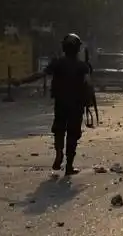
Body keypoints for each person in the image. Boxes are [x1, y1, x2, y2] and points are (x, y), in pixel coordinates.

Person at [17, 33, 92, 174]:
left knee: (59, 129)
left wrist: (21, 81)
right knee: (73, 134)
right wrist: (89, 103)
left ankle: (59, 152)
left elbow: (40, 74)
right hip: (76, 105)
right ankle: (69, 166)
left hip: (61, 103)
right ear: (77, 49)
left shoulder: (57, 63)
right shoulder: (82, 66)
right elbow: (88, 84)